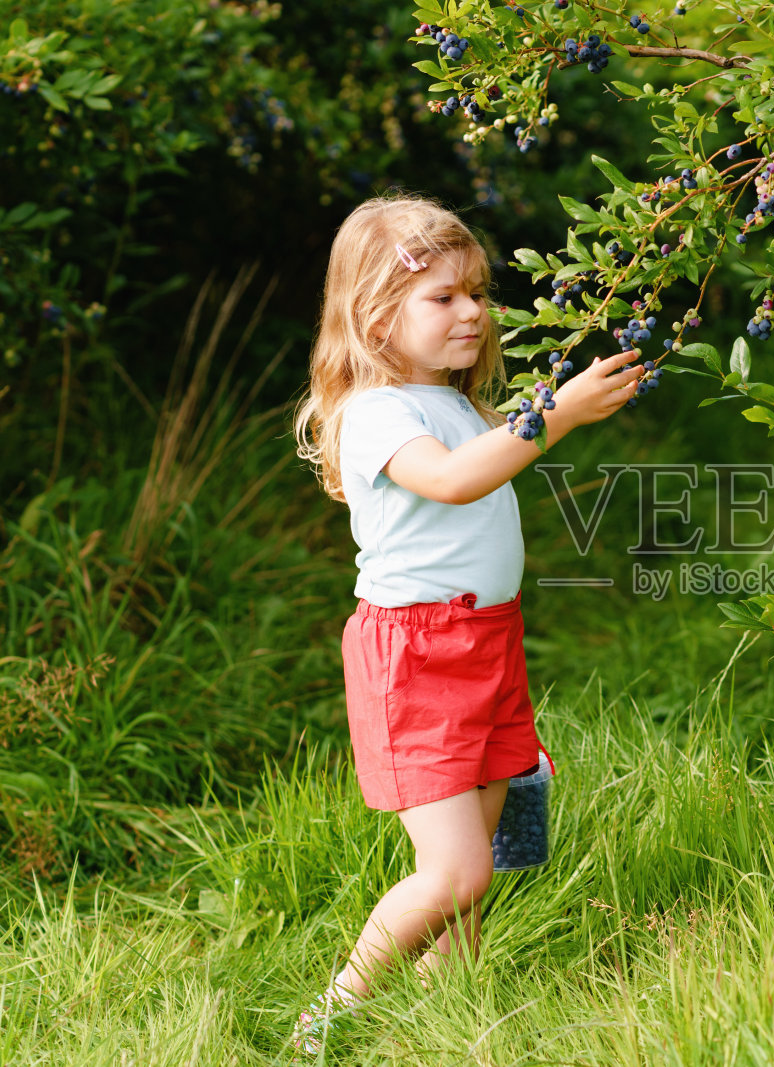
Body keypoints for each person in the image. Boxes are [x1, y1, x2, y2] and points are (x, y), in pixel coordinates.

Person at [288, 193, 642, 1056]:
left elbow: (482, 456)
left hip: (483, 643)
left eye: (477, 293)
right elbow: (453, 481)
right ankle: (333, 1009)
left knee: (473, 870)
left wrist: (544, 408)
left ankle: (447, 1016)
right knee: (456, 869)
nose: (473, 312)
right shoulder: (376, 411)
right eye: (441, 296)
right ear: (375, 316)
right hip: (416, 655)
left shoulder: (448, 401)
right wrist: (555, 414)